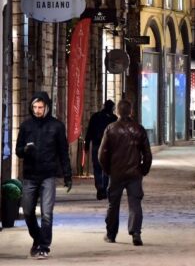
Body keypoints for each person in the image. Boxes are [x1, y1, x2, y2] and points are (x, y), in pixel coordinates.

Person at [15, 92, 72, 259]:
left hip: (48, 175)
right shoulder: (26, 126)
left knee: (47, 213)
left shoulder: (57, 126)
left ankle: (44, 247)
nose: (37, 110)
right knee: (27, 211)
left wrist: (67, 175)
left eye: (40, 107)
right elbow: (18, 150)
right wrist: (25, 150)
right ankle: (38, 238)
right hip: (30, 175)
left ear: (46, 106)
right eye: (34, 107)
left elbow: (63, 153)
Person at [99, 98, 152, 246]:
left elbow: (102, 153)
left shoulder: (111, 129)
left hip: (116, 172)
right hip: (134, 173)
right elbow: (147, 153)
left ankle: (111, 234)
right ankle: (136, 233)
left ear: (117, 111)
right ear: (131, 111)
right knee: (135, 203)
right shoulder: (139, 129)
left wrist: (107, 169)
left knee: (113, 204)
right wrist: (143, 169)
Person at [84, 99, 118, 200]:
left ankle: (100, 187)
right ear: (112, 108)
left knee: (97, 167)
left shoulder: (95, 117)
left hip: (97, 145)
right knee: (106, 168)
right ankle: (104, 188)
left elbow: (89, 131)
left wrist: (87, 144)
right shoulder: (114, 119)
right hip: (108, 147)